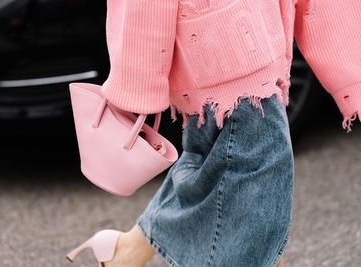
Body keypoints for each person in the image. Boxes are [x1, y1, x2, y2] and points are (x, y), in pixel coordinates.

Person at [66, 0, 361, 266]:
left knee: (216, 162)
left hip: (252, 28)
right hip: (220, 42)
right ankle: (129, 250)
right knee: (259, 176)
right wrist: (137, 81)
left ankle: (127, 250)